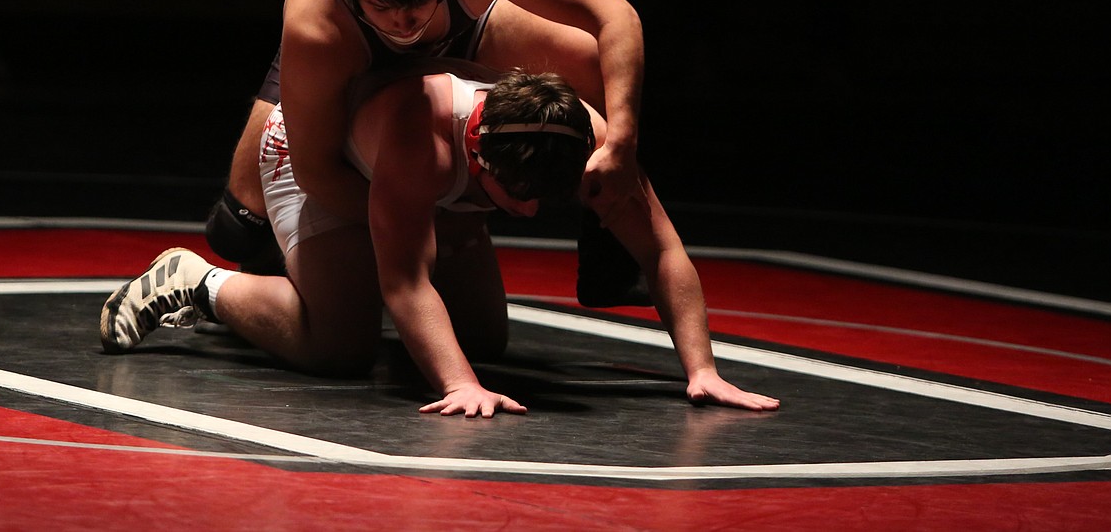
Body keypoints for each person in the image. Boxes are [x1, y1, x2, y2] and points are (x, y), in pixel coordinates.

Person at [101, 67, 781, 418]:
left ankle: (328, 278)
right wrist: (460, 387)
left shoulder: (590, 140)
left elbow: (662, 250)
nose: (538, 210)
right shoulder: (418, 140)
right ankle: (195, 279)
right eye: (523, 201)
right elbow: (405, 282)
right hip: (316, 161)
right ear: (480, 163)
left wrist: (702, 369)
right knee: (341, 345)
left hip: (436, 191)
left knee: (485, 339)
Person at [205, 0, 648, 306]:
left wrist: (622, 146)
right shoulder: (317, 25)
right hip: (348, 53)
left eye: (418, 1)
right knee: (236, 231)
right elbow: (317, 174)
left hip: (458, 33)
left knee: (598, 65)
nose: (405, 21)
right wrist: (425, 221)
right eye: (385, 5)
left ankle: (608, 259)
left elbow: (615, 14)